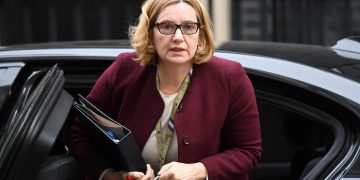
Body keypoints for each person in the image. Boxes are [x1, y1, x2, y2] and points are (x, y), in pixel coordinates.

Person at [69, 0, 262, 179]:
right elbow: (80, 133)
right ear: (150, 33)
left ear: (200, 35)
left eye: (188, 27)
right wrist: (111, 175)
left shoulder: (229, 76)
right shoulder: (124, 69)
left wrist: (199, 170)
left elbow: (248, 150)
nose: (178, 37)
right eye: (167, 26)